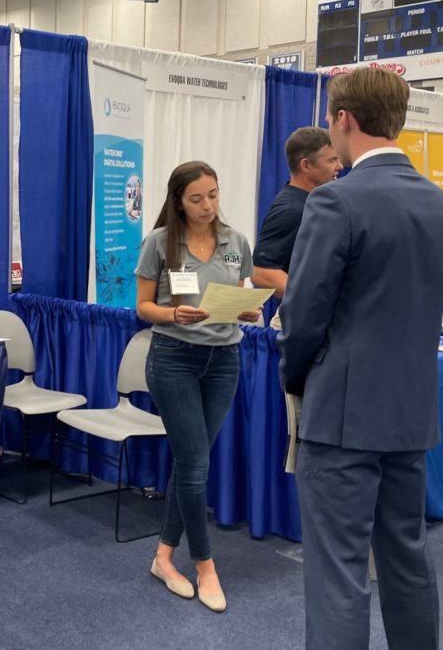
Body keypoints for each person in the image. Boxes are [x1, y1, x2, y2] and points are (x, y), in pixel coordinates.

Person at [278, 68, 443, 650]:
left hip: (342, 417)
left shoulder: (335, 201)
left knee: (338, 575)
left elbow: (304, 318)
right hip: (409, 415)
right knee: (407, 558)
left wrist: (295, 379)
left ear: (343, 120)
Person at [134, 160, 260, 613]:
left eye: (213, 194)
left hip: (224, 360)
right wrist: (173, 314)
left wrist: (249, 311)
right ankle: (205, 565)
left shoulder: (235, 242)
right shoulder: (158, 243)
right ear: (178, 201)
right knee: (194, 464)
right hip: (173, 360)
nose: (208, 205)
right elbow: (144, 307)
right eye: (197, 198)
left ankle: (163, 558)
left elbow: (241, 293)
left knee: (192, 462)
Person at [251, 126, 342, 302]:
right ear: (306, 165)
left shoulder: (310, 203)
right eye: (332, 160)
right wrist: (311, 299)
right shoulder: (291, 209)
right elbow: (260, 271)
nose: (339, 166)